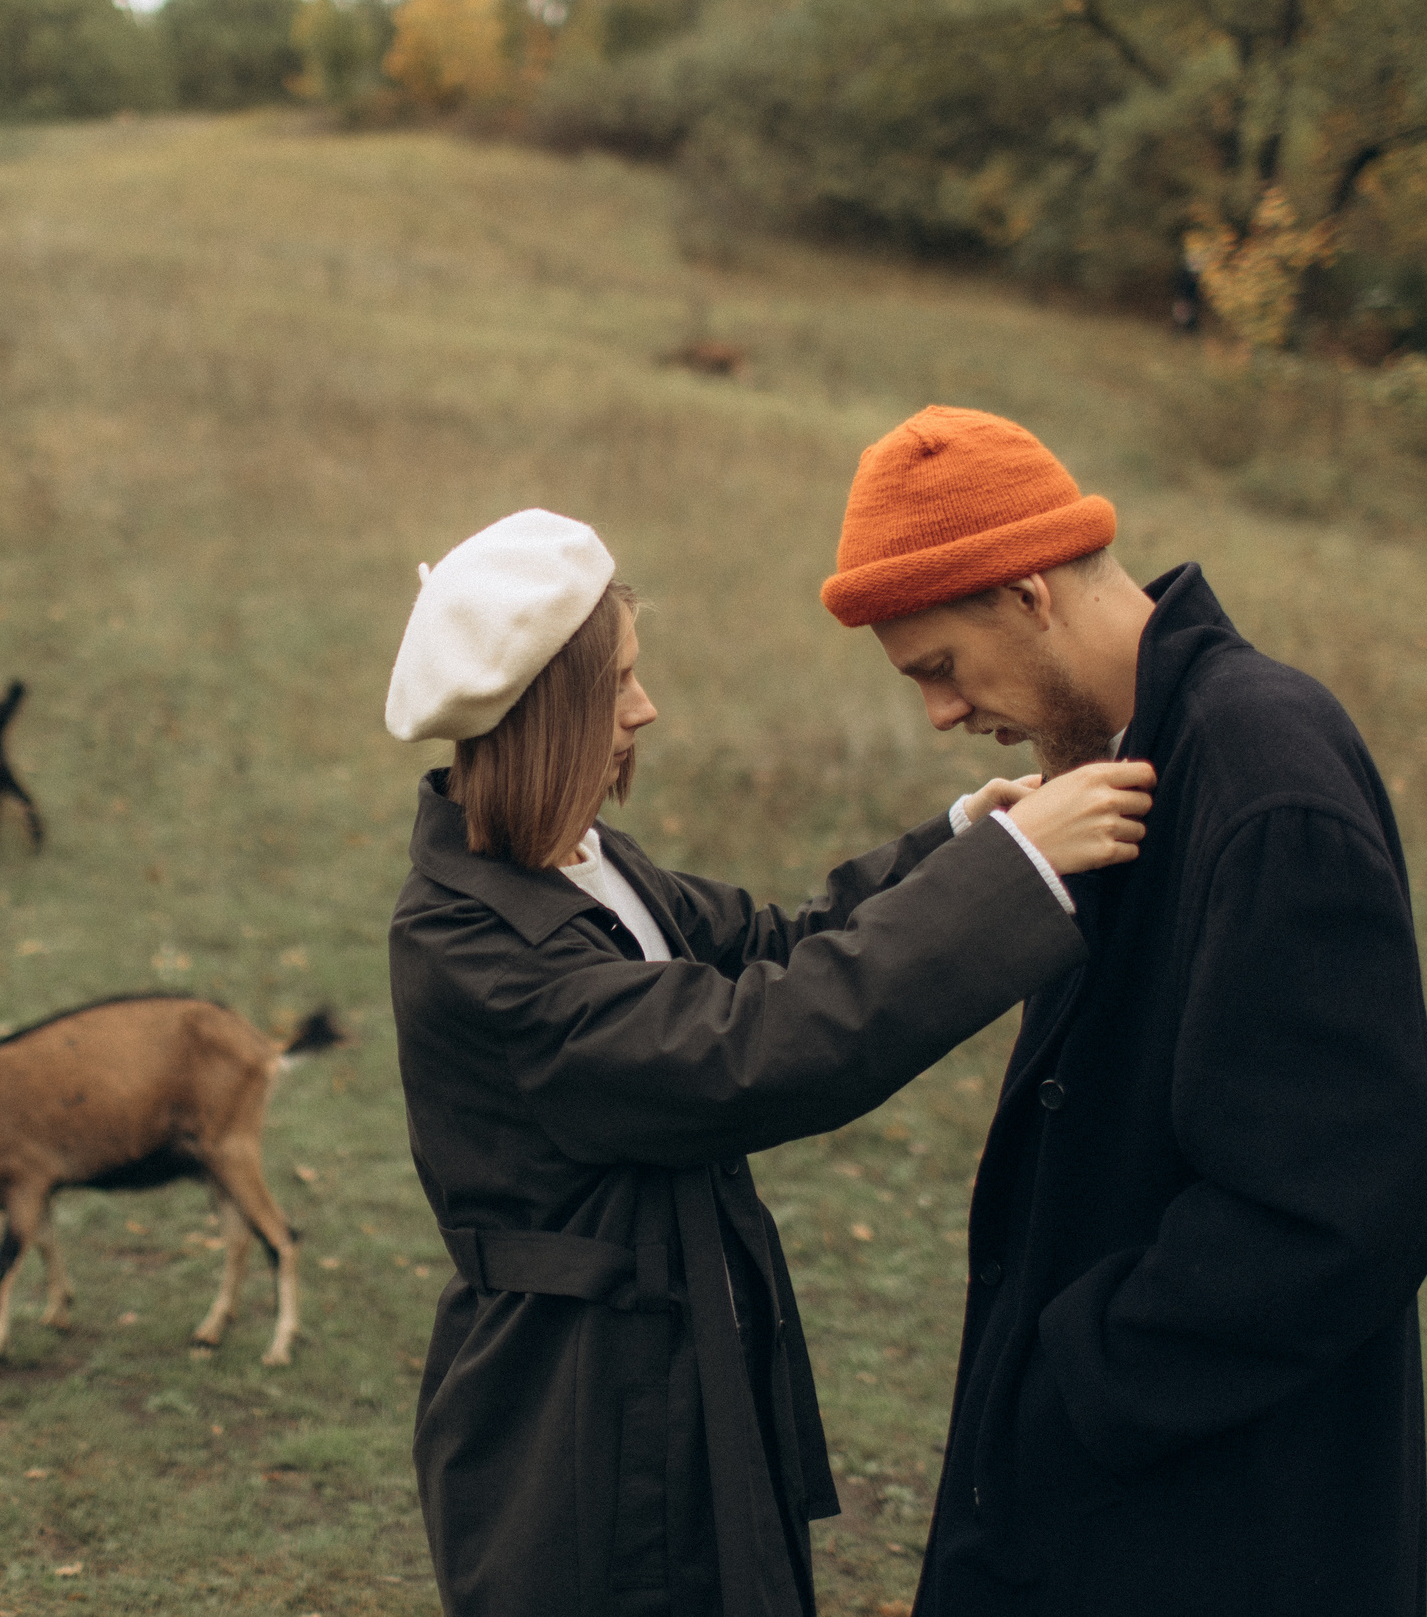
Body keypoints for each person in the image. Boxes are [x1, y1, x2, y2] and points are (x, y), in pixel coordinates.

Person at [385, 509, 1158, 1617]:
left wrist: (962, 842)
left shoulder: (583, 867)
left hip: (675, 1366)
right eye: (618, 685)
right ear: (549, 710)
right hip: (574, 1413)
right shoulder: (473, 946)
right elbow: (748, 1049)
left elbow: (776, 950)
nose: (645, 708)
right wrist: (1012, 879)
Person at [817, 407, 1427, 1616]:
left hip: (1218, 1525)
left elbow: (1339, 1211)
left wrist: (1071, 1381)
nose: (940, 716)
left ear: (1027, 594)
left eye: (940, 667)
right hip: (1124, 1502)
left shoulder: (1265, 779)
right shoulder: (1121, 767)